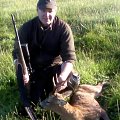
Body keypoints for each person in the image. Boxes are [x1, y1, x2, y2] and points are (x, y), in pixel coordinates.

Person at [13, 0, 77, 112]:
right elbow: (16, 54)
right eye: (43, 10)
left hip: (53, 68)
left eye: (50, 11)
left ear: (55, 11)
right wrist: (24, 71)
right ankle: (27, 101)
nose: (46, 15)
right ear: (37, 10)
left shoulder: (63, 28)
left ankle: (56, 93)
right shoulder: (26, 28)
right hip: (32, 70)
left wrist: (63, 76)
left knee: (73, 77)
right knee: (34, 98)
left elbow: (69, 58)